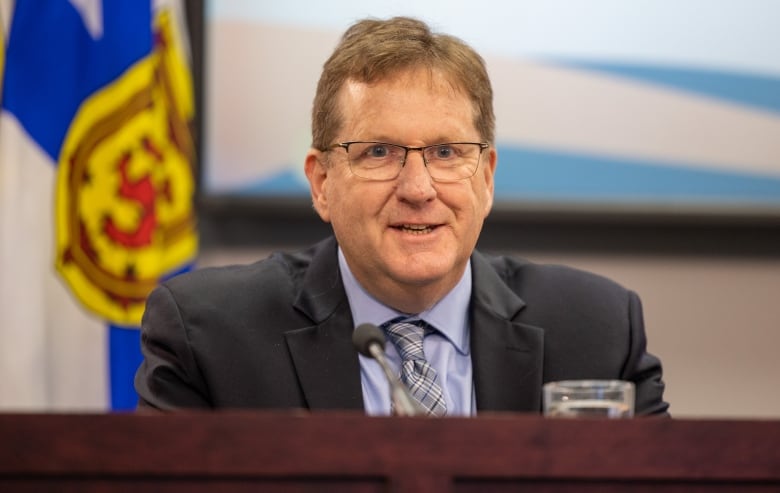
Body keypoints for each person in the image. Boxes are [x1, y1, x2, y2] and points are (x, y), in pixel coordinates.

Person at [134, 16, 669, 416]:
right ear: (321, 183)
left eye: (446, 153)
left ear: (485, 177)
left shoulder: (598, 332)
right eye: (379, 152)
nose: (418, 189)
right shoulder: (209, 337)